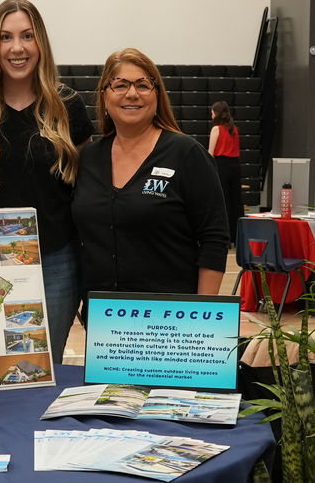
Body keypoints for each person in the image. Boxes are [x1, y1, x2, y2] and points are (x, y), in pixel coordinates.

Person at [0, 0, 93, 364]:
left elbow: (86, 188)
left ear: (40, 43)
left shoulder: (67, 105)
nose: (17, 48)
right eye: (6, 37)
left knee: (41, 367)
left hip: (55, 262)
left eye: (27, 36)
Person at [72, 49, 228, 302]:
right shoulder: (88, 158)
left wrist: (202, 314)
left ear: (157, 95)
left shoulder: (186, 154)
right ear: (104, 95)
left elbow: (214, 238)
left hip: (169, 319)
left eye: (143, 85)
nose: (132, 93)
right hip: (105, 321)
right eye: (120, 85)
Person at [208, 100, 241, 245]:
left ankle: (224, 237)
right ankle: (237, 236)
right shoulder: (234, 130)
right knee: (236, 202)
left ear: (216, 114)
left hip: (221, 166)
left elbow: (210, 153)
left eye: (212, 112)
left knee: (223, 201)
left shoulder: (216, 129)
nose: (211, 114)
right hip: (235, 166)